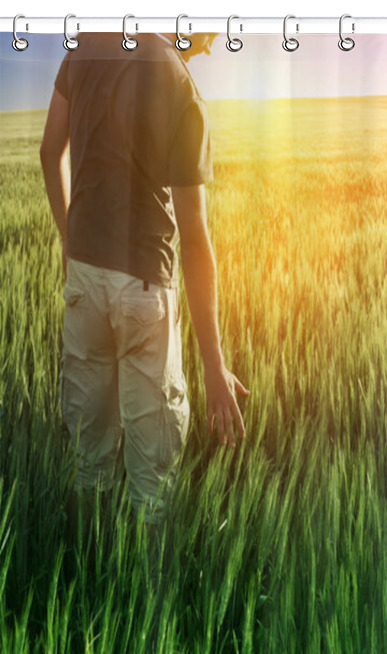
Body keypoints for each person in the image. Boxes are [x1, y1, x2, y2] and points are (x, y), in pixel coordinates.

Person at [39, 31, 249, 529]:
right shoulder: (177, 81)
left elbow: (51, 152)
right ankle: (150, 601)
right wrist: (214, 369)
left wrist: (70, 243)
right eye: (207, 37)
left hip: (84, 281)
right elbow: (195, 241)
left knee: (87, 463)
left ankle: (88, 576)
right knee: (153, 483)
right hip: (144, 290)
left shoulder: (82, 49)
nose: (208, 47)